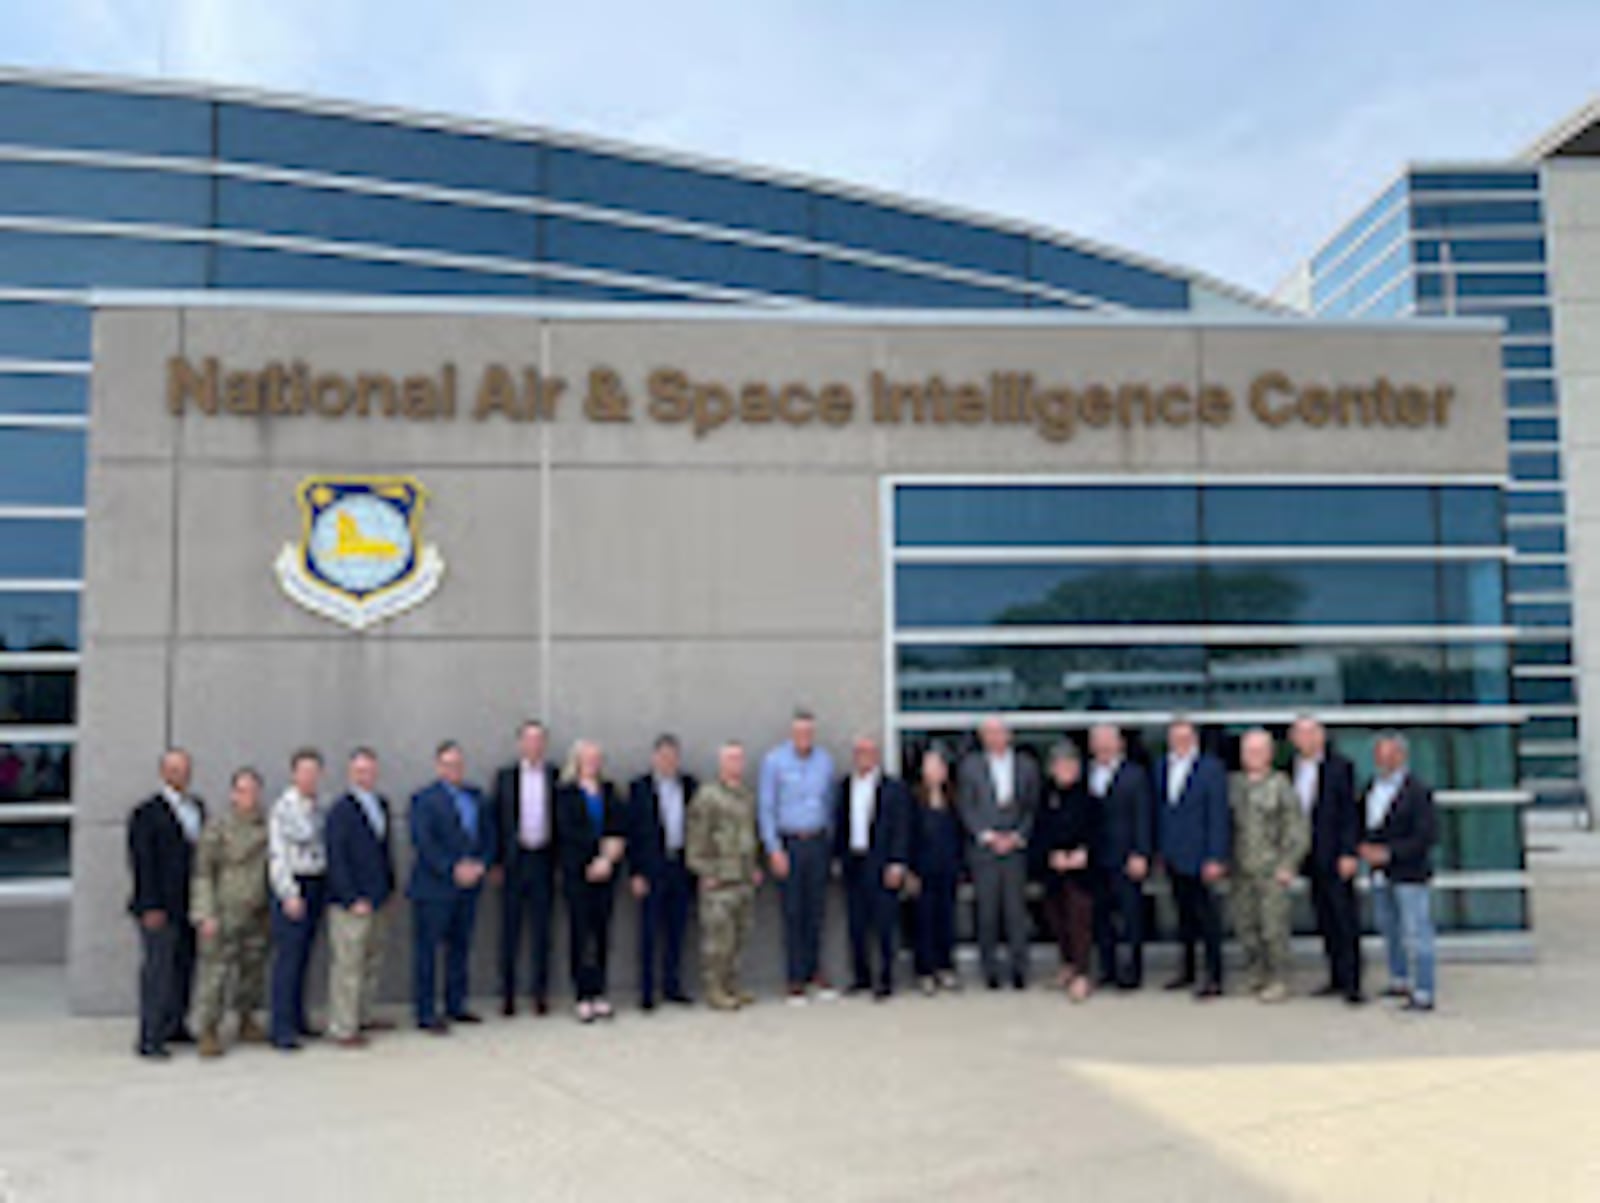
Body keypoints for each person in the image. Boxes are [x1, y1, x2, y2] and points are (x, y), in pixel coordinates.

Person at [409, 740, 496, 1033]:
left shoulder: (476, 796)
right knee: (428, 952)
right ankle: (425, 1012)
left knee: (460, 948)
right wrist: (452, 868)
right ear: (438, 767)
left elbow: (488, 835)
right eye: (447, 764)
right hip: (434, 888)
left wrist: (481, 864)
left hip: (469, 887)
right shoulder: (423, 799)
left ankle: (456, 1005)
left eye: (458, 764)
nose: (453, 769)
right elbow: (424, 843)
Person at [127, 748, 206, 1059]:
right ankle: (150, 1037)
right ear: (162, 772)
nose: (180, 775)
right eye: (173, 769)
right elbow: (141, 863)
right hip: (159, 907)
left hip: (189, 903)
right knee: (158, 971)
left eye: (184, 769)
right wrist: (149, 906)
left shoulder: (196, 807)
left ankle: (176, 1024)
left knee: (184, 967)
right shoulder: (146, 813)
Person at [957, 716, 1042, 990]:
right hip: (984, 850)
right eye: (989, 734)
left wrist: (1017, 836)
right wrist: (987, 836)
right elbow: (966, 807)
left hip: (1016, 849)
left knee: (1016, 912)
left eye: (999, 733)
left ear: (1009, 735)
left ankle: (1020, 970)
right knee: (987, 913)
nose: (994, 738)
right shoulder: (970, 767)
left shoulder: (1026, 766)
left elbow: (1032, 806)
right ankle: (990, 970)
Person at [758, 709, 837, 1004]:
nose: (805, 737)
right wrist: (774, 849)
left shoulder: (825, 761)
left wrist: (829, 846)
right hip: (789, 843)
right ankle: (794, 979)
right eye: (800, 732)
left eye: (809, 732)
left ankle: (814, 971)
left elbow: (830, 804)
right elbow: (766, 808)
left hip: (817, 842)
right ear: (792, 734)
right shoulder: (774, 761)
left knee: (816, 911)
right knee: (792, 912)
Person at [189, 766, 269, 1057]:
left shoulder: (267, 825)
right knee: (215, 974)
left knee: (253, 970)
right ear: (233, 794)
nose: (249, 797)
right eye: (243, 790)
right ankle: (208, 1030)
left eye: (253, 791)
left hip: (257, 910)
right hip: (224, 909)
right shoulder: (218, 827)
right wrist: (205, 912)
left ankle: (246, 1019)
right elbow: (203, 873)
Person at [1358, 732, 1439, 1012]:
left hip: (1409, 874)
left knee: (1416, 931)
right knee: (1389, 928)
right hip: (1380, 873)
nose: (1383, 759)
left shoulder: (1417, 791)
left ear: (1402, 756)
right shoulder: (1371, 787)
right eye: (1379, 754)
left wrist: (1391, 853)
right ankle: (1399, 979)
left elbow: (1426, 835)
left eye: (1390, 754)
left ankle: (1424, 990)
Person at [1229, 729, 1310, 1003]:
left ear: (1269, 754)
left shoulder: (1281, 785)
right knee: (1246, 926)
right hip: (1241, 870)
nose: (1250, 756)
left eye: (1256, 751)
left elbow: (1296, 829)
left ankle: (1278, 979)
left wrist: (1289, 864)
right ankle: (1256, 973)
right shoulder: (1234, 785)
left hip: (1271, 870)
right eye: (1246, 751)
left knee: (1273, 929)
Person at [324, 747, 396, 1048]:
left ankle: (363, 1014)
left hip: (379, 898)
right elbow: (336, 857)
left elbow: (384, 850)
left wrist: (389, 888)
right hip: (351, 902)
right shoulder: (340, 810)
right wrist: (351, 896)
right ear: (350, 773)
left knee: (371, 961)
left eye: (369, 770)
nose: (365, 775)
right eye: (359, 770)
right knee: (348, 966)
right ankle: (343, 1026)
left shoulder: (381, 804)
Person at [1290, 716, 1364, 1004]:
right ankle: (1335, 976)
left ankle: (1353, 983)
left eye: (1310, 733)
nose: (1304, 739)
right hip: (1308, 856)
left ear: (1321, 737)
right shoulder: (1292, 768)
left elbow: (1349, 814)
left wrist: (1349, 852)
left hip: (1335, 855)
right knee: (1324, 918)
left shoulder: (1339, 767)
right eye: (1299, 734)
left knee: (1345, 919)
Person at [1155, 719, 1230, 999]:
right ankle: (1186, 970)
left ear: (1195, 738)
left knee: (1207, 919)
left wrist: (1216, 856)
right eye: (1175, 737)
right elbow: (1162, 811)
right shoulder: (1161, 766)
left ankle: (1214, 976)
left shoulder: (1211, 769)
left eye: (1185, 737)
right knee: (1182, 917)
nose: (1180, 742)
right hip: (1174, 855)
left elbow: (1218, 815)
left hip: (1202, 856)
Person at [685, 742, 763, 1011]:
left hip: (742, 877)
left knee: (739, 936)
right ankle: (714, 989)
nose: (736, 764)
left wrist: (754, 866)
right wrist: (704, 871)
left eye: (739, 759)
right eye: (730, 759)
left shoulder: (746, 795)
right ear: (721, 763)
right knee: (718, 939)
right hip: (719, 879)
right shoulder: (708, 796)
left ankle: (732, 985)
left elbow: (750, 834)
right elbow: (696, 837)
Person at [832, 735, 912, 1000]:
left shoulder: (893, 788)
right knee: (856, 924)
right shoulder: (845, 786)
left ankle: (886, 978)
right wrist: (837, 858)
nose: (863, 757)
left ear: (877, 755)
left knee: (884, 923)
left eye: (867, 752)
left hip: (882, 862)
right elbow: (840, 824)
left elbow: (902, 828)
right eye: (858, 752)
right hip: (854, 860)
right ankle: (861, 977)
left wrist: (898, 863)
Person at [555, 739, 627, 1022]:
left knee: (601, 934)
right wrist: (593, 858)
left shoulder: (610, 790)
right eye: (587, 758)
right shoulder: (565, 793)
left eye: (597, 758)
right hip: (578, 873)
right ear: (577, 760)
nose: (593, 763)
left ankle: (600, 992)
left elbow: (619, 825)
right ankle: (582, 995)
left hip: (607, 872)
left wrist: (608, 858)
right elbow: (567, 832)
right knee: (580, 933)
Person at [627, 734, 700, 1011]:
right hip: (651, 869)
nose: (668, 762)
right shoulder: (639, 788)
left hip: (680, 866)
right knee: (648, 931)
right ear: (654, 758)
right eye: (664, 756)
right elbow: (632, 834)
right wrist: (635, 873)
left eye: (673, 757)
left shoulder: (689, 786)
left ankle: (672, 985)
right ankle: (646, 991)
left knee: (677, 930)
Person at [493, 720, 559, 1017]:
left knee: (542, 932)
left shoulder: (555, 776)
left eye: (539, 740)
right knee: (510, 931)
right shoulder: (505, 777)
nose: (534, 746)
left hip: (544, 860)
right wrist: (495, 862)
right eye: (528, 740)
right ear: (520, 744)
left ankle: (539, 994)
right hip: (513, 863)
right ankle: (507, 994)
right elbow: (495, 821)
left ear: (544, 745)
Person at [267, 748, 329, 1051]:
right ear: (294, 774)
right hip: (293, 884)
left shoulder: (319, 807)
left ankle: (297, 1018)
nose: (310, 777)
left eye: (315, 772)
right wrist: (288, 893)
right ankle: (280, 1028)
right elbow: (277, 855)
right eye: (304, 772)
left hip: (317, 882)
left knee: (305, 957)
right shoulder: (283, 808)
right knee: (288, 959)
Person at [1087, 724, 1152, 990]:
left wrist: (1141, 852)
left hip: (1126, 856)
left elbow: (1143, 816)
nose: (1102, 747)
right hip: (1096, 858)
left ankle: (1132, 971)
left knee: (1130, 916)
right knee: (1101, 917)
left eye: (1107, 741)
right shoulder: (1088, 772)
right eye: (1098, 742)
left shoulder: (1135, 775)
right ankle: (1107, 968)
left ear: (1119, 744)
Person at [1034, 742, 1097, 1003]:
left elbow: (1097, 831)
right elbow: (1039, 831)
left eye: (1070, 765)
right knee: (1057, 920)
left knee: (1079, 922)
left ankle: (1082, 974)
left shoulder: (1089, 797)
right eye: (1060, 765)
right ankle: (1067, 965)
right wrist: (1051, 855)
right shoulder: (1046, 797)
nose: (1066, 770)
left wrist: (1082, 853)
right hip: (1054, 871)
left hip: (1082, 872)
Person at [910, 745, 964, 995]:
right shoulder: (913, 800)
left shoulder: (954, 799)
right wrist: (910, 870)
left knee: (946, 919)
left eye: (939, 767)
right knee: (924, 921)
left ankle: (946, 968)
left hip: (948, 869)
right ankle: (925, 971)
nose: (934, 772)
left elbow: (960, 835)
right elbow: (907, 836)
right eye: (930, 767)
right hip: (923, 870)